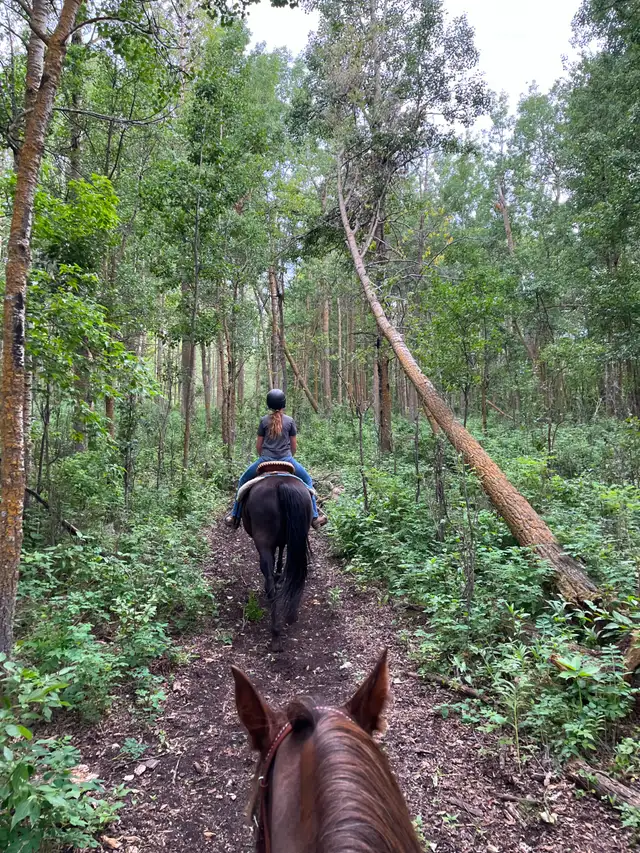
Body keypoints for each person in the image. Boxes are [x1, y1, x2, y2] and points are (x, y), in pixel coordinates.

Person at [224, 389, 327, 530]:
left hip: (265, 460)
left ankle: (235, 516)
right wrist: (288, 457)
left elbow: (258, 446)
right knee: (308, 480)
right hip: (287, 460)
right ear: (283, 404)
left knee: (243, 480)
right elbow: (294, 446)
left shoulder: (263, 421)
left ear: (269, 404)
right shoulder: (290, 421)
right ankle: (314, 517)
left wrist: (264, 456)